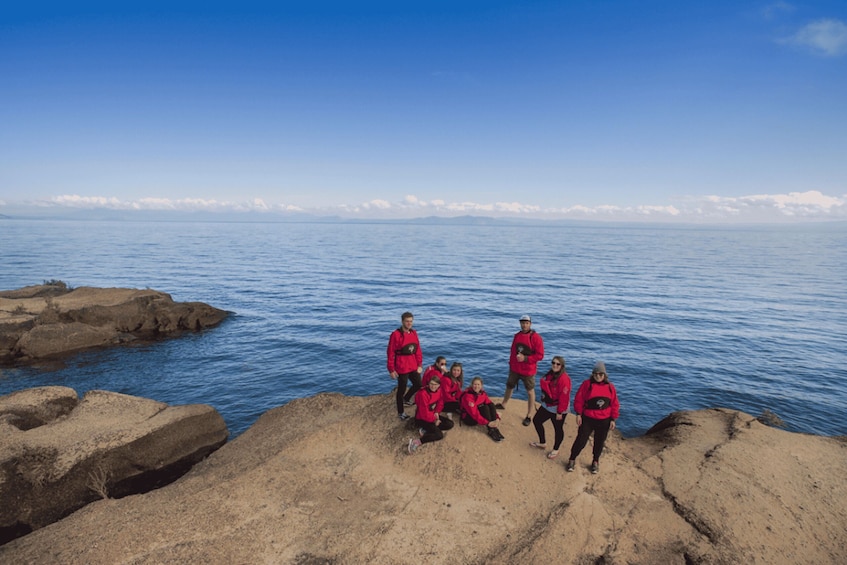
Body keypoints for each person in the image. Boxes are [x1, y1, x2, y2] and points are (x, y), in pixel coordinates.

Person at [566, 361, 620, 474]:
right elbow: (579, 399)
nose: (598, 376)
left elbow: (614, 403)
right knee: (581, 440)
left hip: (604, 420)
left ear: (604, 375)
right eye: (596, 374)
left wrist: (613, 419)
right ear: (593, 374)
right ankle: (572, 459)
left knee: (599, 442)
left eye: (601, 374)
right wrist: (578, 414)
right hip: (588, 419)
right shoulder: (587, 384)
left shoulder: (610, 387)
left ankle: (595, 461)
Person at [496, 314, 544, 426]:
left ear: (530, 324)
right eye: (522, 322)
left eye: (526, 323)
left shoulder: (536, 337)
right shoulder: (517, 335)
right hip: (515, 368)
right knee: (509, 385)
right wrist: (511, 364)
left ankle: (529, 415)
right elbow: (513, 351)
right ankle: (504, 404)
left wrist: (526, 358)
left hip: (528, 370)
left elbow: (540, 355)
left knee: (530, 391)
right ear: (520, 323)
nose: (524, 325)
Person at [529, 356, 572, 459]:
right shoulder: (550, 374)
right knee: (537, 420)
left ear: (562, 366)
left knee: (558, 428)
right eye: (553, 363)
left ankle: (556, 449)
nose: (555, 365)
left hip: (558, 408)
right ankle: (542, 443)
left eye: (558, 364)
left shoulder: (564, 379)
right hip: (547, 405)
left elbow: (564, 397)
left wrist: (560, 412)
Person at [387, 311, 423, 421]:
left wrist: (419, 364)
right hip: (402, 367)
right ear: (402, 321)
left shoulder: (414, 333)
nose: (409, 323)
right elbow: (390, 352)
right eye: (407, 321)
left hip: (413, 365)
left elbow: (418, 350)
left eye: (411, 321)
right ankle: (401, 412)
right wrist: (391, 369)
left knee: (418, 384)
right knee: (401, 389)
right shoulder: (396, 334)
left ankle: (406, 399)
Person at [408, 373, 455, 453]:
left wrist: (437, 412)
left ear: (439, 385)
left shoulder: (439, 391)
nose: (433, 386)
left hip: (432, 414)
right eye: (431, 384)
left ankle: (425, 430)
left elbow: (440, 402)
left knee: (450, 424)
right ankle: (415, 442)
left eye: (435, 384)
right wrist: (434, 420)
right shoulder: (423, 394)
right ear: (428, 384)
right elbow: (424, 413)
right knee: (439, 435)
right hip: (422, 418)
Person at [459, 376, 504, 442]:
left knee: (490, 405)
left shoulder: (482, 393)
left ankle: (494, 426)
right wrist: (487, 422)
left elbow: (490, 403)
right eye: (474, 384)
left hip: (476, 416)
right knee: (484, 408)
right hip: (469, 418)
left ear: (481, 385)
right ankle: (490, 429)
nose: (476, 386)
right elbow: (474, 413)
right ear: (471, 385)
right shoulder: (468, 396)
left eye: (478, 384)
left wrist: (497, 418)